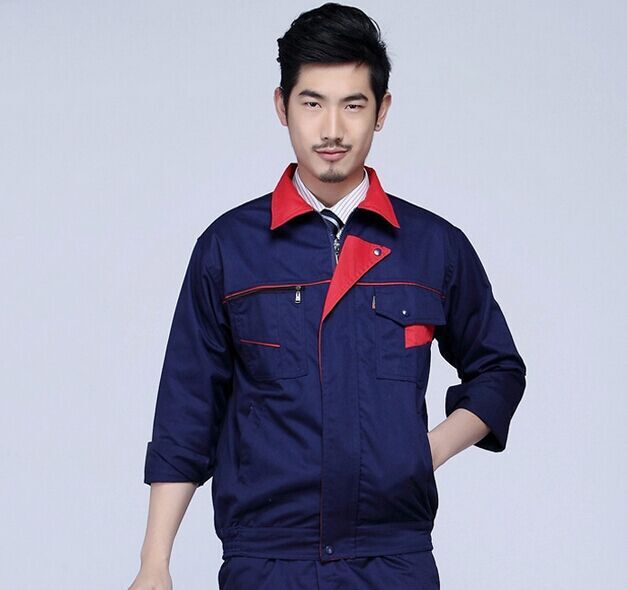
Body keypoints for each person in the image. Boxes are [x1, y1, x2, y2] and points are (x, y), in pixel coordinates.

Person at [128, 3, 527, 589]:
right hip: (267, 562)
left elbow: (499, 369)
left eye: (353, 105)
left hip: (393, 561)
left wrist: (427, 452)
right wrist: (154, 563)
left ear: (382, 111)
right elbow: (186, 411)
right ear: (282, 106)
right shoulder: (229, 248)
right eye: (312, 103)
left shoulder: (432, 247)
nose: (332, 129)